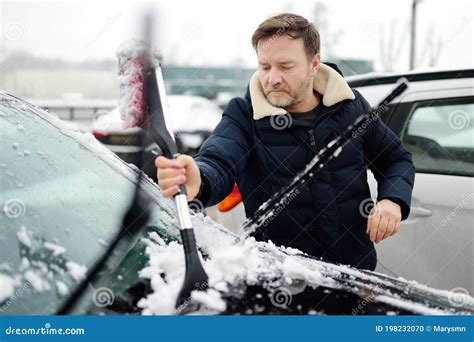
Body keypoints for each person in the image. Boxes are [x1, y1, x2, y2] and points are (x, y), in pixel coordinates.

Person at [155, 13, 415, 270]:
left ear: (314, 64)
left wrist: (392, 199)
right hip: (281, 281)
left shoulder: (350, 107)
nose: (272, 78)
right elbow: (219, 159)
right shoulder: (245, 116)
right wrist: (200, 179)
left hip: (355, 274)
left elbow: (396, 159)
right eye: (264, 67)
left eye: (285, 66)